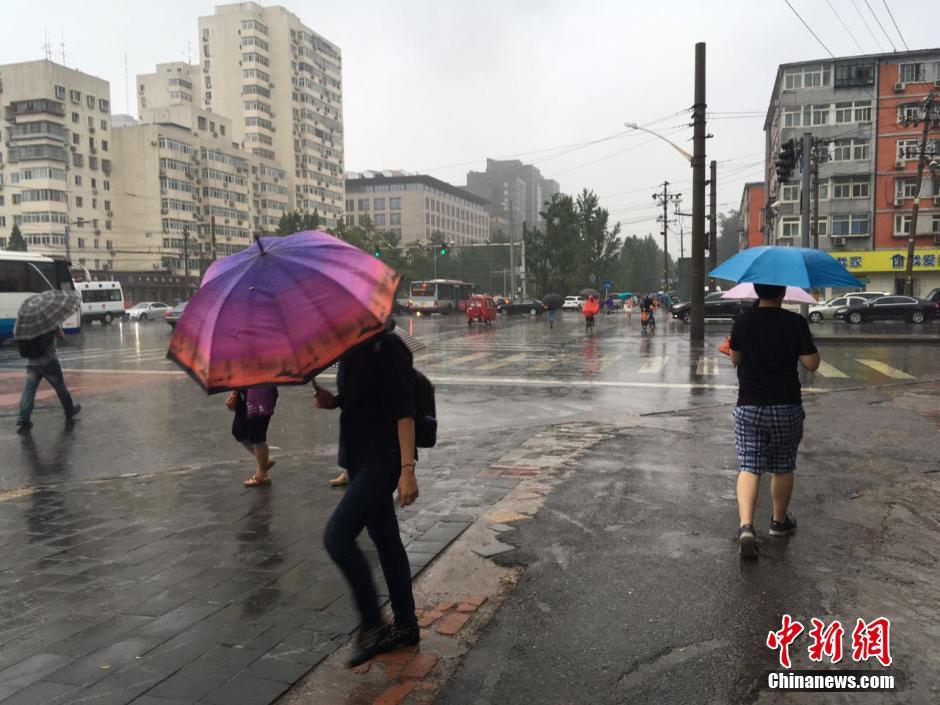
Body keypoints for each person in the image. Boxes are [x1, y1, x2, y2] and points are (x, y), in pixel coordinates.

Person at [314, 321, 420, 667]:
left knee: (337, 536)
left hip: (384, 458)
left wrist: (407, 471)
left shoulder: (387, 347)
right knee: (386, 539)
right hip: (360, 458)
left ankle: (373, 623)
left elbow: (405, 411)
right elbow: (364, 398)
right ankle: (406, 625)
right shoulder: (351, 348)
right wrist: (335, 401)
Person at [728, 283, 820, 559]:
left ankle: (746, 525)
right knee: (783, 464)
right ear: (782, 293)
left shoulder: (743, 321)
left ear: (757, 292)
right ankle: (779, 522)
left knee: (749, 464)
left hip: (750, 404)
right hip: (785, 404)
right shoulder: (795, 322)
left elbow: (734, 357)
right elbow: (811, 363)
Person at [16, 327, 81, 434]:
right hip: (48, 361)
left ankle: (23, 418)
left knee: (29, 391)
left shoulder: (26, 322)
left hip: (31, 363)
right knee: (60, 387)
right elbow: (61, 336)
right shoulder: (48, 320)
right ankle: (69, 410)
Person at [227, 385, 278, 487]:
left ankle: (261, 476)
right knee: (238, 431)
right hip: (244, 391)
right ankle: (264, 462)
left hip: (261, 393)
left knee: (257, 435)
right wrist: (235, 392)